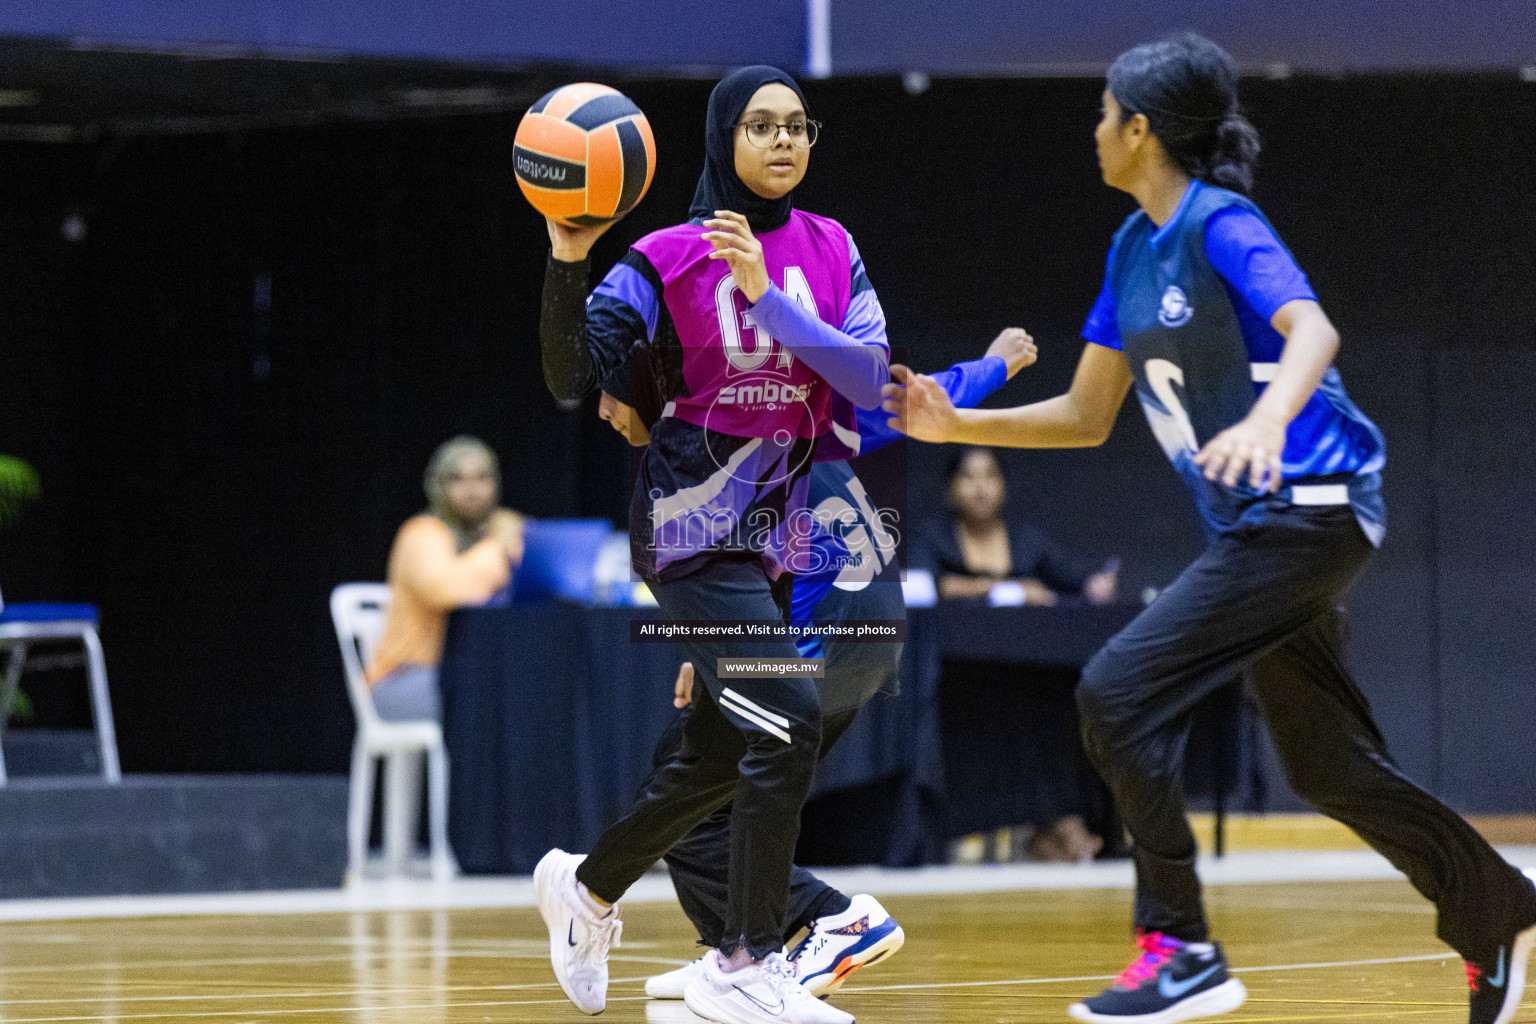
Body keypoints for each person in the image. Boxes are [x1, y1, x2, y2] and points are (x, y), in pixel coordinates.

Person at [884, 32, 1536, 1024]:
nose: (1093, 129)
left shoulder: (1222, 222)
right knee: (1325, 763)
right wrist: (953, 420)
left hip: (1310, 508)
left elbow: (1313, 329)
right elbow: (1087, 414)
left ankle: (1181, 945)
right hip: (1263, 528)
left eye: (1105, 113)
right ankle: (1494, 911)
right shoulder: (1131, 249)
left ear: (1140, 130)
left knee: (1113, 689)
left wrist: (1269, 420)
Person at [535, 66, 892, 1024]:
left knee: (713, 757)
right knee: (788, 717)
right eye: (761, 125)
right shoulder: (663, 255)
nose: (784, 142)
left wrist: (768, 297)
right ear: (722, 138)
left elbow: (865, 379)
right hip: (688, 536)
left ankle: (588, 887)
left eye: (798, 126)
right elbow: (575, 374)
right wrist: (570, 258)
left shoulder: (832, 247)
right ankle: (743, 961)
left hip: (773, 542)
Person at [592, 328, 1036, 1000]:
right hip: (873, 635)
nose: (602, 409)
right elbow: (922, 401)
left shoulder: (706, 451)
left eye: (608, 392)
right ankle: (732, 953)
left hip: (814, 641)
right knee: (703, 788)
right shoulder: (809, 411)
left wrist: (724, 647)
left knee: (682, 798)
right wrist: (996, 362)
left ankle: (830, 920)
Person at [366, 436, 524, 722]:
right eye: (458, 479)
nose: (472, 489)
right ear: (439, 485)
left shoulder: (493, 532)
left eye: (482, 478)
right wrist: (499, 544)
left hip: (461, 674)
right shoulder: (422, 533)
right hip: (405, 680)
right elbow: (450, 590)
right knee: (499, 697)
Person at [916, 445, 1117, 606]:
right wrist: (1011, 590)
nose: (980, 488)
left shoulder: (1025, 539)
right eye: (968, 476)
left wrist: (1094, 584)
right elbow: (927, 585)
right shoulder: (934, 535)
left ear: (1004, 484)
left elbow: (1071, 575)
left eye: (990, 475)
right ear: (950, 487)